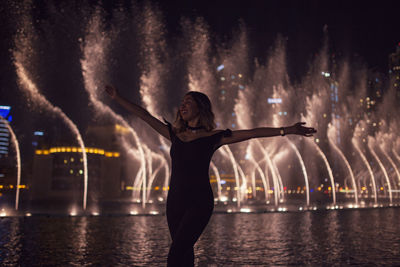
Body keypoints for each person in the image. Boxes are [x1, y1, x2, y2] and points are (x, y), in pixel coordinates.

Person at [105, 85, 316, 266]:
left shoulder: (214, 137)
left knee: (176, 253)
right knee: (184, 251)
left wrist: (287, 130)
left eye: (189, 101)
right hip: (175, 202)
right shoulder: (174, 134)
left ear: (200, 107)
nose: (183, 105)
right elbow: (144, 115)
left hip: (200, 202)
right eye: (182, 102)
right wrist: (118, 97)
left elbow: (252, 132)